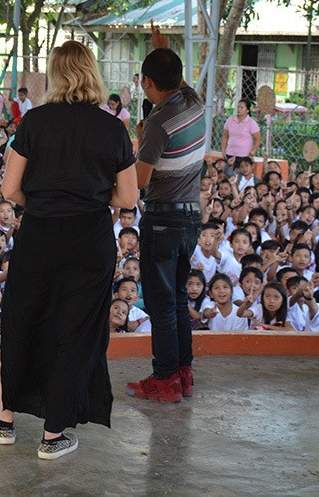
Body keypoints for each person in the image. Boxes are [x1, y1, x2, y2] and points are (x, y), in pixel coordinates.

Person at [0, 40, 137, 461]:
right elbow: (128, 198)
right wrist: (90, 198)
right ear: (92, 73)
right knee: (76, 331)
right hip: (90, 240)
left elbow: (10, 189)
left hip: (40, 235)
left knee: (23, 321)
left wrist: (46, 201)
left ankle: (3, 421)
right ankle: (52, 436)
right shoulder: (113, 128)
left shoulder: (34, 121)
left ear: (56, 74)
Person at [127, 26, 205, 404]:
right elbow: (177, 81)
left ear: (146, 83)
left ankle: (164, 379)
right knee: (176, 298)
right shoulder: (194, 102)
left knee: (161, 303)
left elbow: (141, 180)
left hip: (162, 219)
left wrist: (140, 141)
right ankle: (183, 373)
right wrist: (165, 50)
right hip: (191, 217)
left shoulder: (157, 124)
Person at [221, 99, 261, 169]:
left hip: (244, 155)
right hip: (229, 153)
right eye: (238, 107)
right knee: (228, 176)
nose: (239, 109)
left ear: (247, 110)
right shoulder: (230, 119)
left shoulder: (251, 122)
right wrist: (223, 150)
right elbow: (225, 137)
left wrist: (252, 152)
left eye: (242, 107)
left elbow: (258, 139)